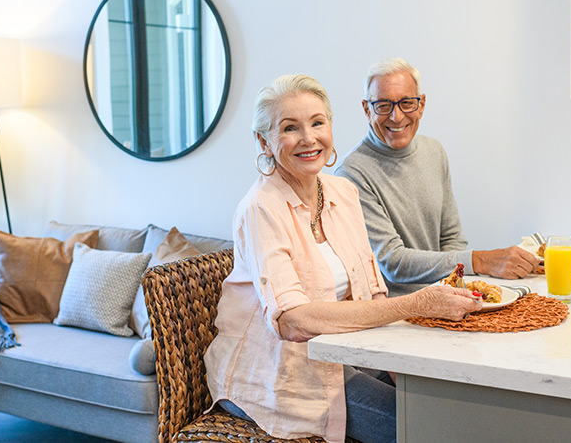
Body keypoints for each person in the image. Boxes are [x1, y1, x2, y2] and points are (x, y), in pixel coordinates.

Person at [204, 74, 482, 443]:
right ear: (264, 142)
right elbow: (295, 322)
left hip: (345, 352)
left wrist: (397, 366)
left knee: (452, 407)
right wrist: (417, 304)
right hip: (282, 373)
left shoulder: (342, 192)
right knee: (425, 429)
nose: (308, 138)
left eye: (317, 123)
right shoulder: (260, 209)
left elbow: (373, 295)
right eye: (290, 128)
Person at [335, 58, 539, 296]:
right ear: (366, 109)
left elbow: (451, 237)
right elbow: (392, 262)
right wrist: (480, 261)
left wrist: (452, 287)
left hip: (443, 301)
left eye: (407, 103)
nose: (397, 116)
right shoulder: (351, 173)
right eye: (383, 105)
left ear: (421, 105)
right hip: (397, 315)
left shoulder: (434, 151)